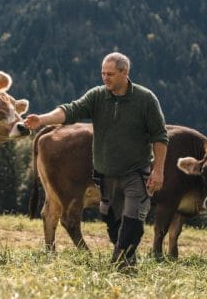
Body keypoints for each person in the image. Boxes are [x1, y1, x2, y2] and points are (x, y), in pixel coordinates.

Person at [24, 52, 168, 269]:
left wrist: (158, 171)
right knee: (113, 224)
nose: (105, 78)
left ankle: (120, 266)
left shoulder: (145, 99)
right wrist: (42, 119)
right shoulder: (98, 96)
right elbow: (70, 110)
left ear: (124, 72)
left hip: (136, 173)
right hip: (106, 176)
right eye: (102, 73)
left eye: (110, 74)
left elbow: (160, 136)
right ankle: (127, 261)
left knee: (133, 220)